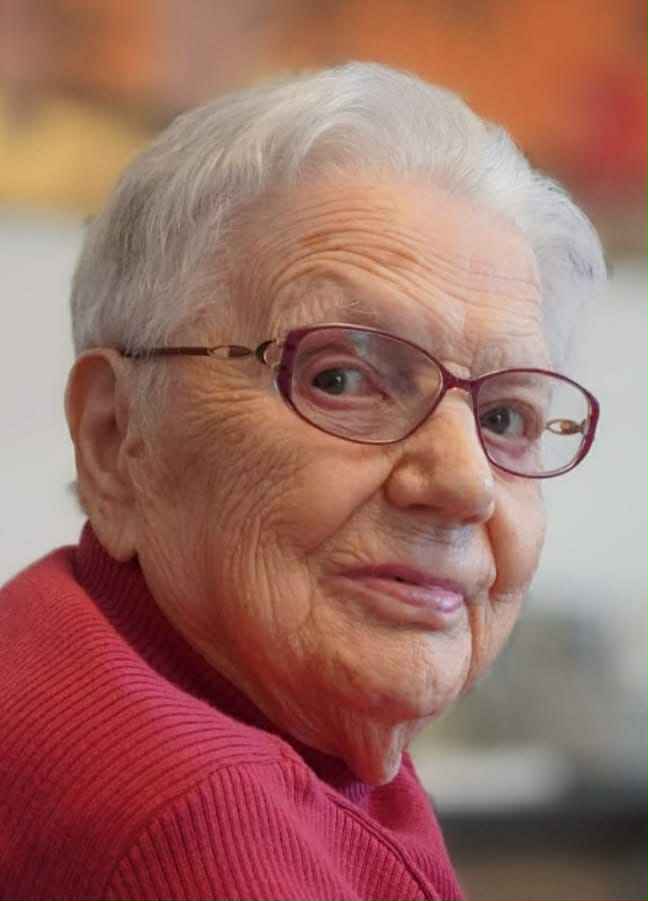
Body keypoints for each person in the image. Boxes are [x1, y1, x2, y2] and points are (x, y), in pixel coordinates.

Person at [0, 62, 605, 901]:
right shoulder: (197, 826)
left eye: (505, 417)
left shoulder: (75, 643)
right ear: (116, 438)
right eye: (341, 378)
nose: (467, 482)